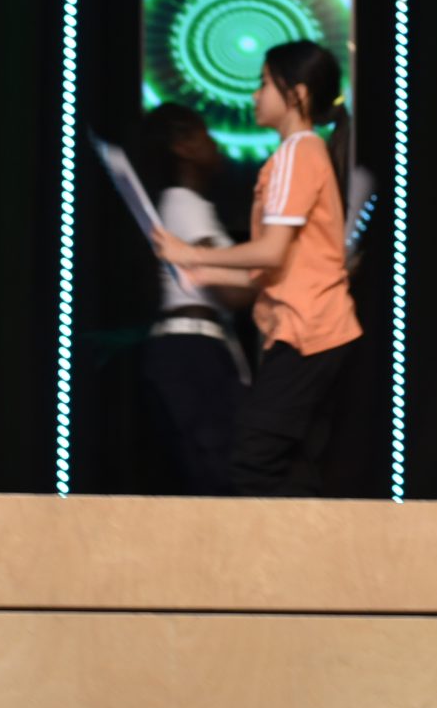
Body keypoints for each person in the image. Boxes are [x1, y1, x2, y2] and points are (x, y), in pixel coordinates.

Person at [153, 41, 359, 497]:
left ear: (297, 95)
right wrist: (208, 274)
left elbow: (269, 252)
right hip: (314, 331)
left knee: (253, 458)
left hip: (310, 331)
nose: (255, 95)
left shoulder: (296, 153)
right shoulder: (302, 153)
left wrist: (192, 254)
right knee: (292, 466)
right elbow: (275, 267)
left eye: (263, 83)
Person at [134, 103, 250, 496]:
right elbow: (231, 291)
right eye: (204, 134)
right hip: (193, 355)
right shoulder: (185, 205)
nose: (214, 143)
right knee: (215, 480)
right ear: (182, 147)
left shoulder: (185, 206)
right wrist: (290, 270)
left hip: (188, 353)